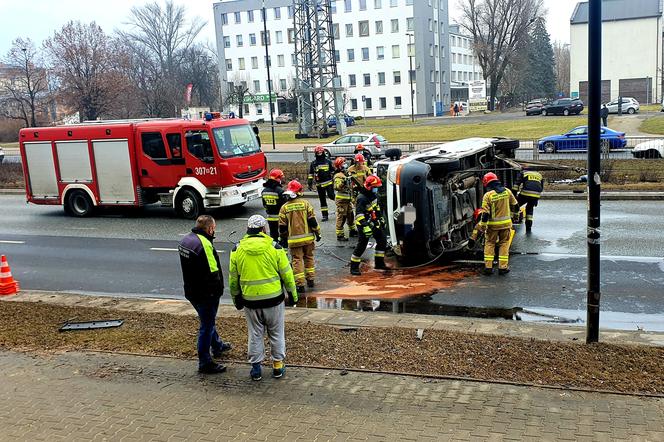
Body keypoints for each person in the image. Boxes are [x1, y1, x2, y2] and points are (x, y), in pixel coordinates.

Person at [229, 215, 298, 381]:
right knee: (276, 333)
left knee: (255, 334)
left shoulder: (237, 249)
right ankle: (277, 367)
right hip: (274, 300)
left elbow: (233, 279)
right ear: (263, 229)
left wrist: (236, 299)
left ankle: (256, 369)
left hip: (250, 302)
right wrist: (293, 296)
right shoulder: (275, 248)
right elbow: (287, 275)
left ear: (248, 229)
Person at [178, 215, 232, 374]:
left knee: (207, 320)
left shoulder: (186, 240)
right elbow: (213, 272)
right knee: (206, 326)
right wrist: (218, 290)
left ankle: (217, 345)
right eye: (213, 228)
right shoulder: (204, 245)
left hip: (191, 290)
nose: (214, 231)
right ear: (210, 229)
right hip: (206, 293)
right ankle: (205, 362)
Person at [279, 180, 321, 293]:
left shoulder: (284, 208)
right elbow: (312, 221)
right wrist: (318, 233)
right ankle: (311, 280)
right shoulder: (305, 204)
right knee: (309, 257)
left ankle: (300, 285)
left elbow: (282, 227)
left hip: (293, 241)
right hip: (308, 239)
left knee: (297, 261)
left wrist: (283, 238)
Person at [478, 173, 519, 276]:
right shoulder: (507, 191)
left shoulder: (488, 195)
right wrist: (514, 216)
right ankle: (503, 268)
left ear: (487, 183)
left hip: (492, 226)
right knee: (504, 244)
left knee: (490, 244)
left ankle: (488, 268)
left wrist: (482, 225)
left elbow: (485, 213)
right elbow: (516, 205)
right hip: (506, 225)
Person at [350, 175, 389, 276]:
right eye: (375, 187)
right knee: (362, 245)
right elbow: (359, 215)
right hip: (363, 223)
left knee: (382, 240)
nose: (376, 189)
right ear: (369, 187)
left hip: (373, 221)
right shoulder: (361, 198)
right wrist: (365, 226)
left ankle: (379, 264)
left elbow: (377, 209)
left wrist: (381, 219)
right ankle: (353, 268)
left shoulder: (373, 196)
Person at [307, 146, 335, 221]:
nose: (319, 153)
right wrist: (309, 182)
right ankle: (325, 215)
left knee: (332, 196)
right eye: (318, 152)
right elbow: (311, 173)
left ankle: (341, 206)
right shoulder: (313, 163)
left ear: (323, 152)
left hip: (328, 183)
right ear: (315, 153)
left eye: (320, 152)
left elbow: (333, 171)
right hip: (319, 184)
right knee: (322, 200)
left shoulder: (328, 161)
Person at [514, 168, 544, 233]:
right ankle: (528, 227)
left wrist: (514, 195)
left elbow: (516, 185)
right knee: (530, 209)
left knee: (516, 205)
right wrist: (536, 199)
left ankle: (514, 219)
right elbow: (541, 188)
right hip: (536, 195)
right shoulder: (539, 175)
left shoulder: (523, 173)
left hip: (525, 193)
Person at [333, 157, 354, 241]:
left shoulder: (346, 174)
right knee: (342, 217)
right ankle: (340, 235)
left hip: (348, 199)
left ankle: (352, 230)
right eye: (343, 163)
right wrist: (343, 183)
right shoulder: (338, 176)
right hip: (342, 200)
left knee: (350, 215)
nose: (345, 164)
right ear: (339, 166)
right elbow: (336, 187)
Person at [261, 168, 286, 241]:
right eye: (281, 178)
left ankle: (274, 249)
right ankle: (283, 249)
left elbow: (264, 205)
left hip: (270, 218)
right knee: (283, 234)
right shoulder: (280, 191)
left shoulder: (264, 191)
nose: (282, 179)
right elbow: (284, 205)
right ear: (277, 179)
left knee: (273, 235)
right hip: (280, 218)